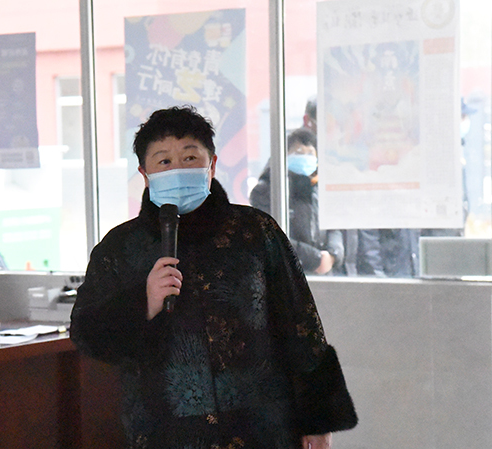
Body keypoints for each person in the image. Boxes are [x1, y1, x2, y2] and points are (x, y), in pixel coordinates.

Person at [70, 106, 358, 449]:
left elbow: (300, 324)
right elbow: (87, 335)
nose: (178, 169)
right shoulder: (119, 248)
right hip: (166, 432)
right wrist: (141, 304)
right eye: (164, 161)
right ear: (145, 174)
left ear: (212, 165)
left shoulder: (256, 232)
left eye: (190, 158)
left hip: (262, 427)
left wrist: (318, 419)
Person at [249, 128, 344, 275]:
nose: (305, 157)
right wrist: (315, 259)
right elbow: (270, 236)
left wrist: (332, 255)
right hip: (286, 274)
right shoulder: (266, 190)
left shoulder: (319, 188)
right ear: (284, 156)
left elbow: (334, 228)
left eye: (310, 153)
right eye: (299, 152)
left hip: (324, 273)